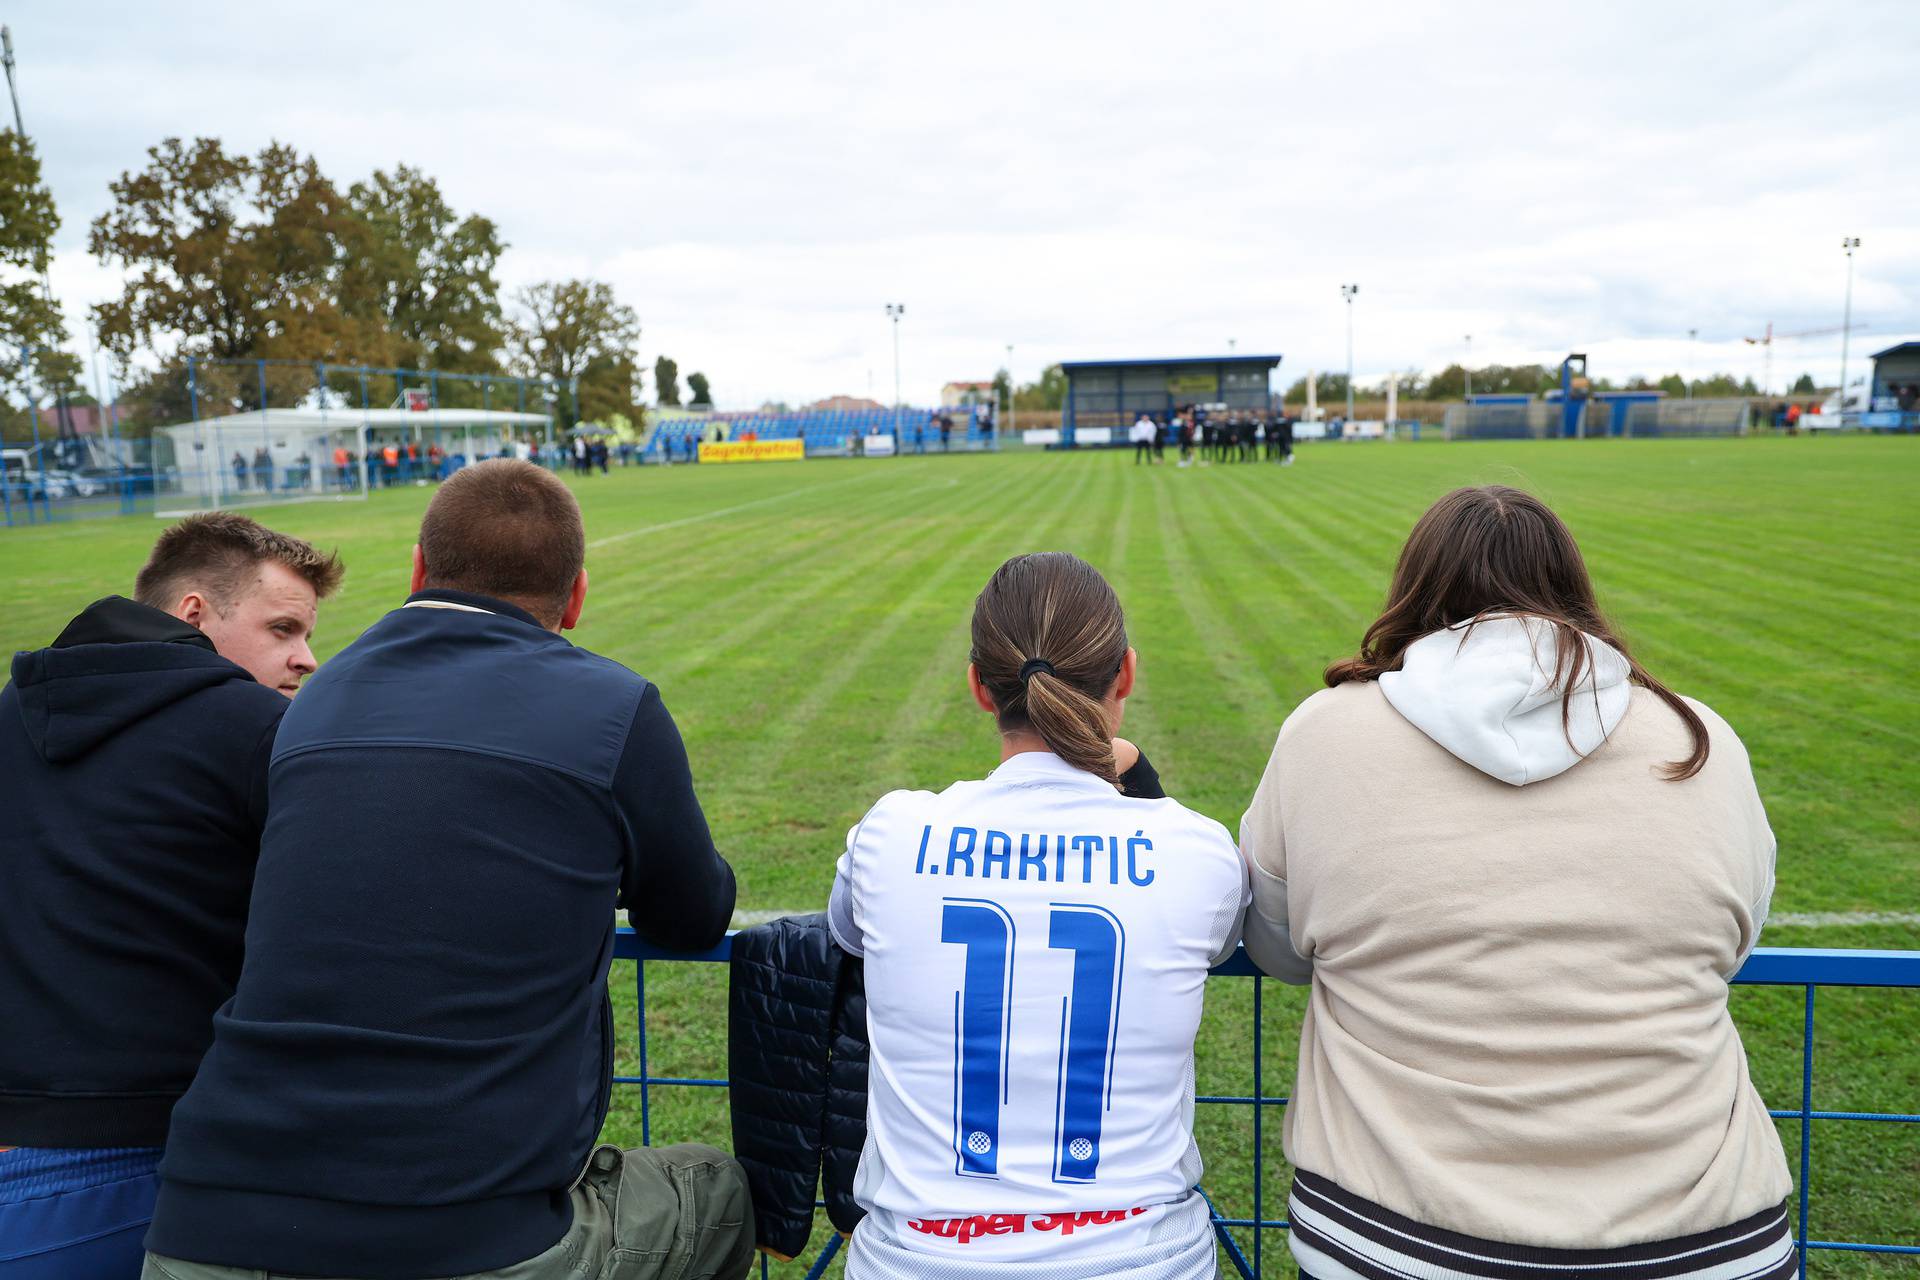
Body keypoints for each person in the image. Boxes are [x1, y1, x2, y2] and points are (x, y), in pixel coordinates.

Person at [143, 461, 751, 1280]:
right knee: (715, 1188)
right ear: (574, 600)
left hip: (206, 1222)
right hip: (471, 1227)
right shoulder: (613, 705)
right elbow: (693, 914)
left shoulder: (311, 700)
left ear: (419, 572)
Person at [1239, 485, 1794, 1280]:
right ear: (1572, 588)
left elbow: (1275, 944)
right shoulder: (1697, 736)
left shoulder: (1323, 733)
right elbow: (1733, 941)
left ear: (1414, 589)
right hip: (1708, 1236)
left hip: (1396, 1238)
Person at [828, 552, 1248, 1280]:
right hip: (1145, 1260)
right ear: (1125, 675)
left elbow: (844, 932)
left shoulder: (892, 833)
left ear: (979, 688)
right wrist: (1133, 772)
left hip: (916, 1260)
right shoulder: (1196, 849)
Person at [0, 514, 341, 1280]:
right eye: (283, 628)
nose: (306, 658)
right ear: (194, 612)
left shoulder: (12, 713)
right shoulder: (256, 727)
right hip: (154, 1167)